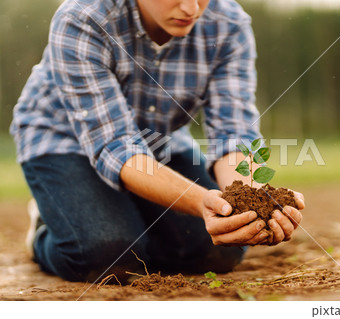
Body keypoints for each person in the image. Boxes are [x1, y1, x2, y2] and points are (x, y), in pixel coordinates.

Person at [10, 0, 305, 283]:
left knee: (215, 252)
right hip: (63, 141)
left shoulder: (229, 23)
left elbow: (234, 134)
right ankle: (45, 229)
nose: (191, 9)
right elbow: (116, 146)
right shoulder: (83, 17)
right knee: (112, 259)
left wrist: (250, 200)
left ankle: (128, 219)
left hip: (159, 142)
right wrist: (201, 203)